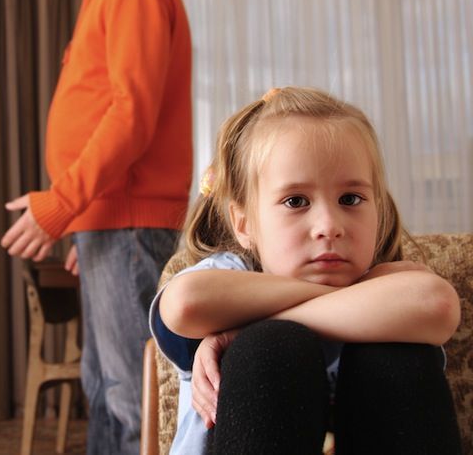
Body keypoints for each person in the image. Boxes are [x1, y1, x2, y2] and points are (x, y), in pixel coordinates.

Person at [151, 86, 463, 454]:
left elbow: (438, 305)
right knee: (273, 346)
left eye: (351, 199)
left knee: (398, 354)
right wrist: (343, 299)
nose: (329, 225)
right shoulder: (230, 276)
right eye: (295, 201)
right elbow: (185, 304)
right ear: (244, 224)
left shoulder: (390, 288)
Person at [0, 0, 193, 454]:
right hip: (108, 224)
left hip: (124, 221)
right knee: (106, 395)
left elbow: (131, 114)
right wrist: (86, 228)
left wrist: (62, 206)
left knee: (135, 405)